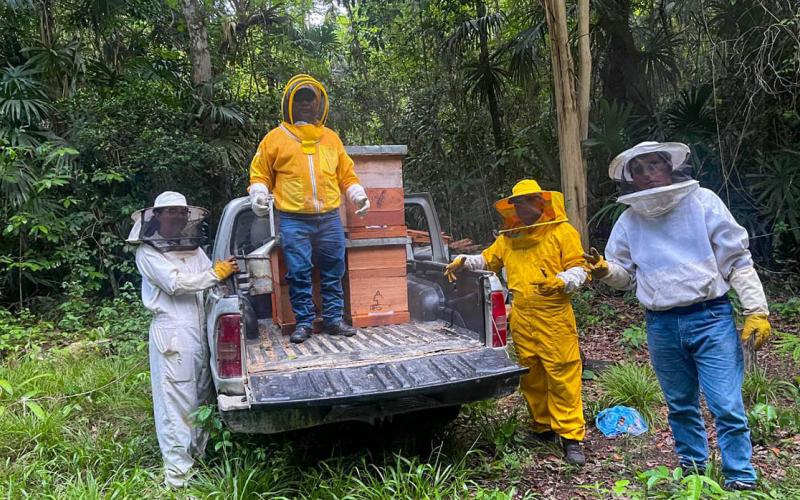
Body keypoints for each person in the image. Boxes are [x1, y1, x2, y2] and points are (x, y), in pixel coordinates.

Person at [584, 141, 771, 491]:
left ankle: (741, 480)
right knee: (680, 405)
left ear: (670, 167)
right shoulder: (628, 220)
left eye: (654, 165)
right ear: (631, 180)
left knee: (725, 405)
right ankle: (693, 474)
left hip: (710, 317)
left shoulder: (703, 202)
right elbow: (626, 278)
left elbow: (736, 259)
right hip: (662, 324)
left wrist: (756, 310)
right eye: (638, 170)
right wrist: (605, 271)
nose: (647, 174)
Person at [444, 179, 589, 465]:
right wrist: (463, 260)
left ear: (540, 202)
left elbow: (580, 268)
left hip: (555, 316)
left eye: (526, 201)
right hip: (522, 315)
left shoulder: (562, 232)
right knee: (532, 375)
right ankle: (543, 427)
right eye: (517, 203)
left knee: (563, 375)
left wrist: (562, 281)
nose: (521, 207)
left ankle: (572, 438)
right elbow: (488, 260)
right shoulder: (510, 236)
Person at [127, 191, 239, 488]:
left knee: (202, 396)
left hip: (200, 327)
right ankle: (178, 478)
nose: (177, 216)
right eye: (170, 211)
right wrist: (215, 274)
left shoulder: (193, 248)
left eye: (181, 211)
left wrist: (222, 274)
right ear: (157, 216)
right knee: (176, 402)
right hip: (173, 331)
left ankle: (197, 462)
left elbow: (209, 276)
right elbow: (176, 284)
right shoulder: (148, 252)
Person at [248, 74, 369, 344]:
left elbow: (346, 174)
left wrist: (357, 194)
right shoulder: (274, 139)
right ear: (289, 103)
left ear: (319, 104)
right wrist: (258, 192)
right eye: (299, 98)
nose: (305, 103)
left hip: (329, 218)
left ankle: (333, 320)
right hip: (293, 219)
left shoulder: (331, 139)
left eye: (309, 99)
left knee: (333, 269)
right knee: (299, 271)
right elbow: (260, 174)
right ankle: (303, 323)